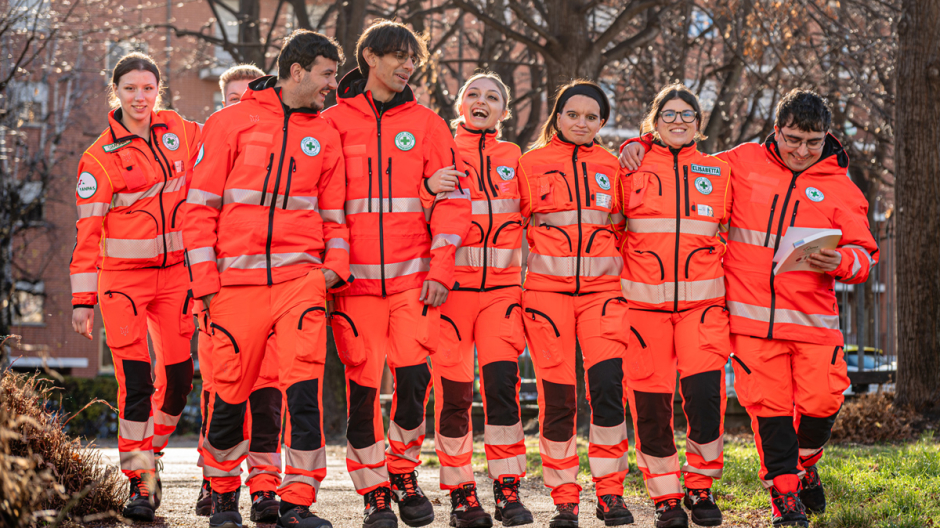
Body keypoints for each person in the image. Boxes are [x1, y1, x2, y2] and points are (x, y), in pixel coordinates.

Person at [619, 89, 879, 527]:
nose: (801, 151)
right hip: (750, 323)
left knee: (824, 400)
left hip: (815, 323)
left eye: (812, 143)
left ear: (826, 139)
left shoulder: (841, 186)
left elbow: (865, 253)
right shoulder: (738, 162)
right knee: (769, 411)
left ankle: (806, 462)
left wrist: (844, 260)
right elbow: (683, 155)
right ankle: (784, 495)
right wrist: (642, 143)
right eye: (792, 139)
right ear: (776, 131)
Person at [182, 30, 350, 528]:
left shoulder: (326, 134)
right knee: (230, 396)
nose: (331, 85)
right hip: (233, 287)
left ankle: (297, 503)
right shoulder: (229, 122)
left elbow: (335, 215)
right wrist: (206, 282)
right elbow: (198, 210)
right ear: (296, 71)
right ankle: (224, 495)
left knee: (302, 393)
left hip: (302, 283)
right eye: (325, 74)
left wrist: (332, 271)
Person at [322, 19, 471, 528]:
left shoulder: (429, 125)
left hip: (414, 283)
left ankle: (402, 470)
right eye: (398, 56)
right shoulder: (333, 122)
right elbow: (323, 203)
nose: (408, 66)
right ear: (369, 57)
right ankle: (373, 493)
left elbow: (453, 203)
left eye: (413, 58)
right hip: (354, 286)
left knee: (413, 387)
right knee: (362, 394)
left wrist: (441, 269)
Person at [69, 52, 197, 522]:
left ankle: (153, 454)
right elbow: (86, 237)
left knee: (180, 381)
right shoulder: (98, 159)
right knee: (138, 384)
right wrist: (82, 301)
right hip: (121, 283)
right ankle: (139, 482)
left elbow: (230, 139)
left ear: (158, 90)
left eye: (148, 88)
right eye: (130, 89)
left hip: (177, 278)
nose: (140, 98)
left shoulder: (181, 131)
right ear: (116, 93)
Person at [616, 84, 731, 528]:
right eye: (669, 114)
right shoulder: (630, 167)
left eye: (687, 114)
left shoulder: (719, 172)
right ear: (654, 121)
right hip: (643, 315)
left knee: (705, 402)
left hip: (703, 312)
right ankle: (665, 497)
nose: (678, 121)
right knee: (650, 407)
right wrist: (633, 146)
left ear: (699, 125)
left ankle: (701, 486)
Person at [517, 80, 630, 528]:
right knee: (559, 401)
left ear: (602, 122)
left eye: (591, 117)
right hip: (546, 298)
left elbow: (624, 227)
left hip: (603, 298)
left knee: (607, 394)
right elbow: (513, 227)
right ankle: (564, 497)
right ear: (557, 116)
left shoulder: (615, 166)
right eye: (572, 114)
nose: (581, 123)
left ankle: (611, 494)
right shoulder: (529, 164)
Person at [424, 72, 533, 527]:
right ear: (460, 104)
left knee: (503, 397)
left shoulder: (514, 157)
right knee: (453, 396)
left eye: (493, 96)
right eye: (473, 94)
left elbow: (533, 218)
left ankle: (508, 492)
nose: (481, 101)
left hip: (503, 296)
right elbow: (414, 214)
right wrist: (429, 188)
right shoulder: (441, 152)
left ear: (505, 112)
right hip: (451, 295)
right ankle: (461, 495)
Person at [191, 63, 284, 524]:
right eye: (233, 98)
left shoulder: (281, 153)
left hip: (271, 296)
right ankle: (217, 483)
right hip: (221, 298)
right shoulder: (211, 148)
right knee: (221, 395)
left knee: (267, 398)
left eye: (249, 96)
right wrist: (204, 289)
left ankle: (265, 488)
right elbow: (195, 221)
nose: (242, 104)